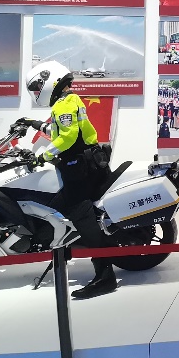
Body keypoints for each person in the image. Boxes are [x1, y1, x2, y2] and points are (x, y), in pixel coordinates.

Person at [18, 61, 116, 299]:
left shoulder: (65, 103)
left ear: (50, 82)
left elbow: (69, 137)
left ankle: (105, 276)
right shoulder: (68, 101)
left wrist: (41, 157)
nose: (37, 92)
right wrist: (32, 124)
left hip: (79, 166)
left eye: (37, 87)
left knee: (79, 212)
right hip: (84, 163)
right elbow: (59, 132)